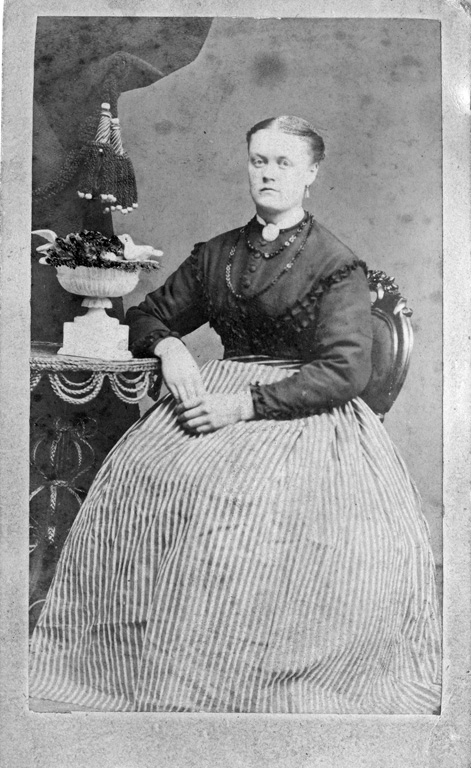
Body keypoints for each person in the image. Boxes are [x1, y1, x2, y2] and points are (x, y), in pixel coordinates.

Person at [29, 115, 441, 714]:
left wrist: (242, 404)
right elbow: (148, 314)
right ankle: (143, 657)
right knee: (144, 475)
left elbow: (344, 371)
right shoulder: (218, 252)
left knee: (230, 502)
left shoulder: (336, 264)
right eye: (259, 160)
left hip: (303, 415)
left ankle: (230, 674)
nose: (268, 174)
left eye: (283, 163)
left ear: (311, 174)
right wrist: (170, 348)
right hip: (216, 391)